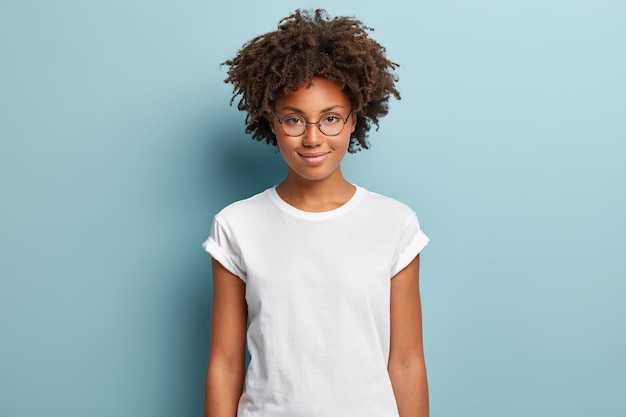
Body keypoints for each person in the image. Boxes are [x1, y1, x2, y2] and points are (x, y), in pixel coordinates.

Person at [203, 9, 429, 417]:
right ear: (270, 122)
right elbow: (225, 364)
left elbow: (407, 362)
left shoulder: (395, 224)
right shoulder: (236, 226)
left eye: (330, 119)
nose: (312, 138)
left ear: (353, 121)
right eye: (294, 120)